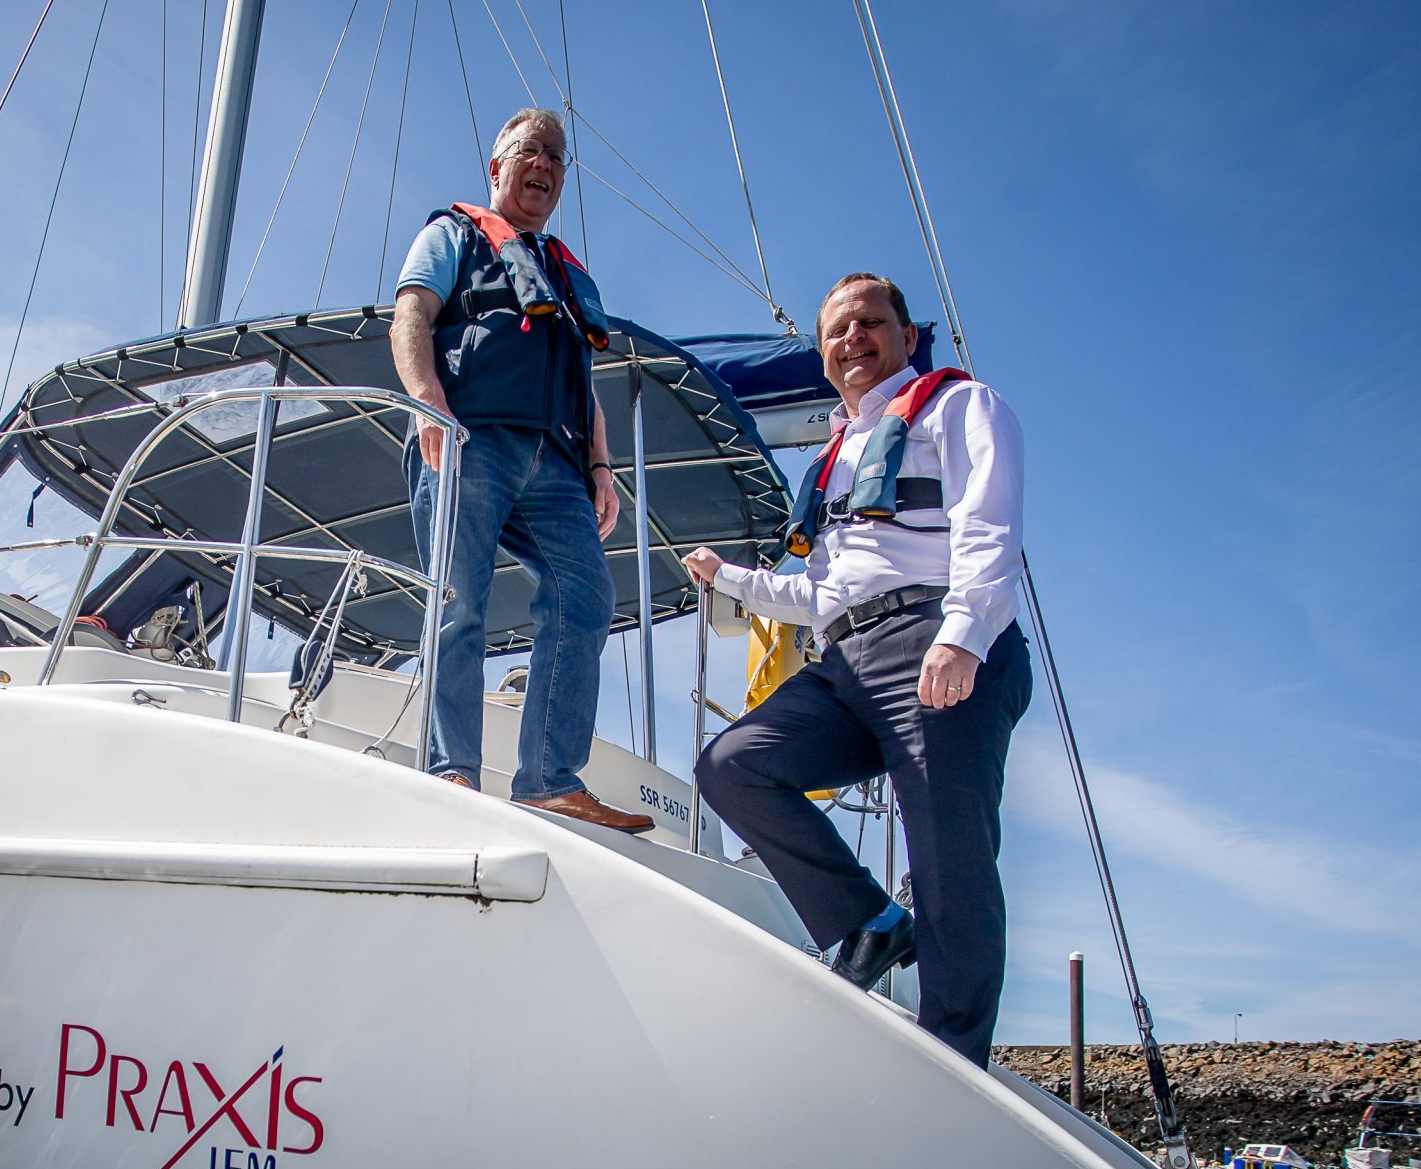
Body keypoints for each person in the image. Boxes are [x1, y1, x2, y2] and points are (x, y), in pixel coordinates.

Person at [686, 274, 1031, 1065]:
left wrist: (964, 634)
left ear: (908, 337)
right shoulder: (836, 459)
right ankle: (868, 922)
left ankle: (954, 1062)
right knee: (735, 764)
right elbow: (824, 591)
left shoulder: (958, 406)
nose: (854, 339)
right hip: (848, 655)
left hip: (933, 633)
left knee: (949, 861)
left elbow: (989, 519)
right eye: (837, 330)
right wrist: (729, 575)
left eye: (871, 322)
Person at [390, 109, 652, 832]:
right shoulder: (454, 236)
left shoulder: (566, 277)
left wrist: (601, 465)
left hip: (558, 461)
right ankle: (452, 769)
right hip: (470, 437)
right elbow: (410, 315)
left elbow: (581, 375)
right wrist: (427, 402)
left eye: (557, 157)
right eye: (530, 151)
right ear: (496, 168)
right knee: (458, 600)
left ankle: (546, 778)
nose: (544, 164)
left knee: (586, 597)